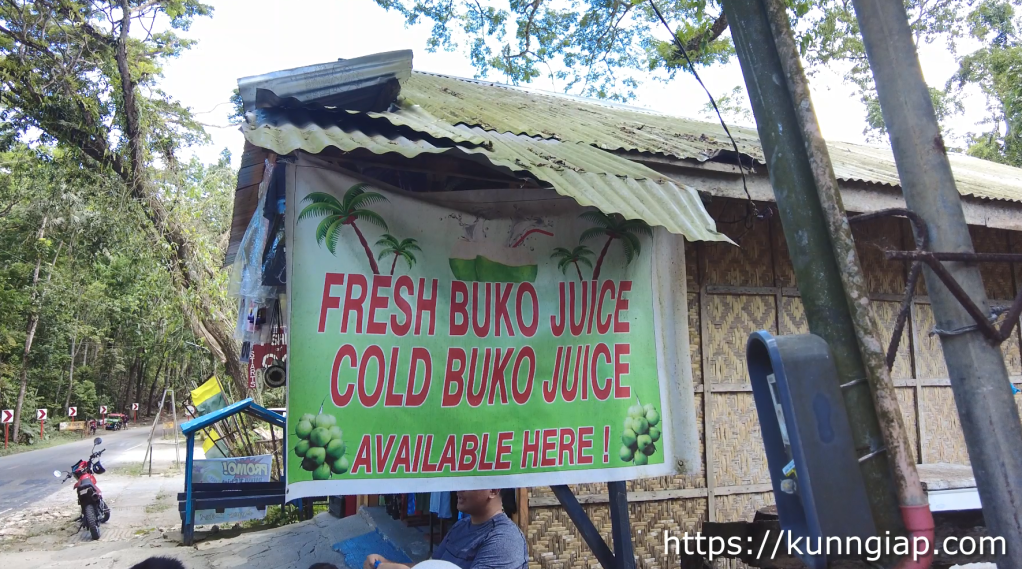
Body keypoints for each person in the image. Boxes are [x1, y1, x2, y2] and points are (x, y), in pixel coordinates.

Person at [363, 490, 528, 569]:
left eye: (467, 483)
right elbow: (432, 566)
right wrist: (385, 563)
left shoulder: (505, 540)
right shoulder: (460, 527)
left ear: (493, 491)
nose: (458, 490)